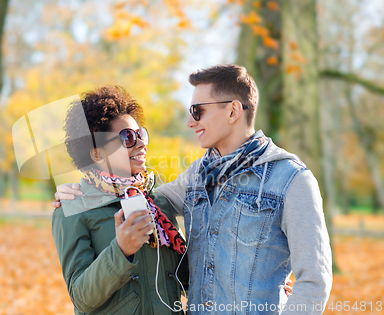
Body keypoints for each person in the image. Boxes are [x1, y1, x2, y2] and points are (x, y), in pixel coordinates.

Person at [53, 65, 330, 315]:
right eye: (128, 137)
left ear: (233, 111)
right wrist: (77, 193)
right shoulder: (195, 178)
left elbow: (314, 282)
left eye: (199, 111)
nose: (190, 122)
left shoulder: (292, 179)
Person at [51, 85, 188, 315]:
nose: (141, 143)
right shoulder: (72, 208)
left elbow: (185, 278)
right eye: (128, 137)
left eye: (141, 134)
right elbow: (81, 298)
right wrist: (121, 250)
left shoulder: (158, 201)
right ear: (97, 153)